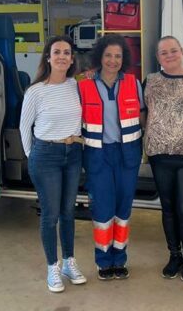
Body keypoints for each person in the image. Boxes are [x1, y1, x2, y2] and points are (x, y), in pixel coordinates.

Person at [19, 35, 87, 293]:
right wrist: (32, 157)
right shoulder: (36, 91)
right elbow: (25, 127)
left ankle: (70, 262)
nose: (62, 56)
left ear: (72, 59)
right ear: (48, 57)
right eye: (56, 52)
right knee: (50, 215)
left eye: (66, 53)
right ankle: (52, 267)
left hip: (73, 153)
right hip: (46, 155)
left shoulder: (75, 85)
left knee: (68, 212)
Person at [79, 34, 145, 281]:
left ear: (123, 59)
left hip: (127, 152)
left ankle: (120, 258)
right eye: (108, 55)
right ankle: (103, 261)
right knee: (103, 209)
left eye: (118, 56)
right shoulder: (83, 85)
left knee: (123, 208)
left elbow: (141, 117)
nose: (113, 60)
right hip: (97, 154)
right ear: (99, 56)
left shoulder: (133, 83)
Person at [144, 36, 183, 282]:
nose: (169, 55)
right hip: (160, 155)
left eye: (173, 50)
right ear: (158, 57)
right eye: (163, 53)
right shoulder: (150, 81)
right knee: (168, 209)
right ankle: (175, 255)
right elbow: (142, 112)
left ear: (182, 52)